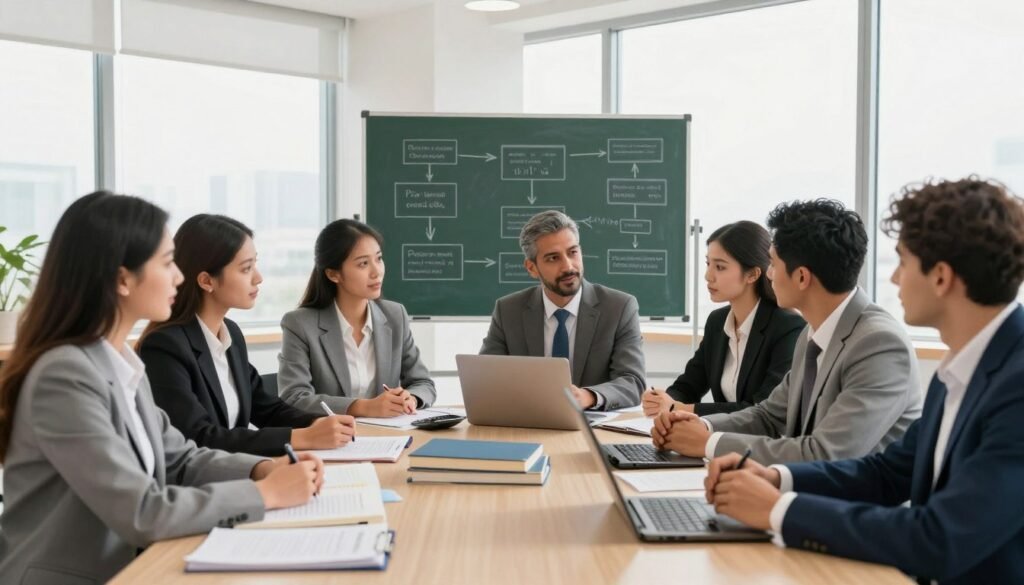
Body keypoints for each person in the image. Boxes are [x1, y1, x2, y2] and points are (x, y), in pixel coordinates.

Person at [704, 177, 1024, 584]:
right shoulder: (959, 370)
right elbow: (887, 474)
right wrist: (777, 478)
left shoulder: (1016, 386)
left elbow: (940, 539)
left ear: (941, 277)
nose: (893, 281)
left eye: (903, 263)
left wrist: (778, 510)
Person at [0, 193, 322, 584]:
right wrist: (266, 494)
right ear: (122, 279)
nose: (179, 277)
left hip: (137, 566)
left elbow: (180, 459)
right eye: (168, 263)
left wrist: (262, 468)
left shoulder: (119, 362)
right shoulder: (64, 376)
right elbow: (142, 510)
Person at [652, 199, 921, 463]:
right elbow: (768, 416)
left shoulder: (878, 344)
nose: (768, 274)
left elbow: (826, 453)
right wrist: (702, 426)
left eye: (773, 264)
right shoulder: (813, 334)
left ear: (802, 277)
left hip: (848, 503)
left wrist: (708, 443)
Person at [138, 214, 355, 456]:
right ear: (206, 280)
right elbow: (199, 437)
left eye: (255, 264)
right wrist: (300, 437)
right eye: (246, 268)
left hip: (237, 473)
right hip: (202, 485)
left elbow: (266, 408)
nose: (258, 277)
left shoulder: (230, 333)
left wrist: (318, 423)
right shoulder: (164, 347)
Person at [480, 210, 645, 410]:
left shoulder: (619, 308)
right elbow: (485, 380)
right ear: (532, 268)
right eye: (553, 258)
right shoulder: (508, 311)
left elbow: (632, 382)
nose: (568, 266)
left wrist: (589, 396)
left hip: (591, 427)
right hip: (528, 423)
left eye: (572, 252)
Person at [642, 221, 805, 416]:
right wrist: (662, 400)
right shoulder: (717, 322)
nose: (708, 276)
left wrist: (679, 408)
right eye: (708, 263)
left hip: (762, 443)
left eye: (720, 267)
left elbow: (763, 409)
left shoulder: (788, 327)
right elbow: (688, 385)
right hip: (720, 439)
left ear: (752, 274)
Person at [278, 219, 435, 416]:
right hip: (330, 440)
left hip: (388, 437)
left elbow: (422, 383)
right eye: (363, 264)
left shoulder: (395, 316)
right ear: (334, 274)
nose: (377, 271)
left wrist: (410, 398)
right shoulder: (300, 324)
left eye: (378, 259)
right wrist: (363, 407)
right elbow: (294, 397)